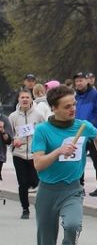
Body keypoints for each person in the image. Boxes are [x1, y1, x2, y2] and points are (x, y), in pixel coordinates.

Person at [31, 85, 97, 245]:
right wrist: (58, 152)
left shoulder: (82, 126)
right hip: (47, 191)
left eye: (74, 104)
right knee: (45, 244)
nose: (73, 109)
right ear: (54, 108)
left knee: (74, 224)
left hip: (72, 189)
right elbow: (38, 164)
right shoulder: (43, 131)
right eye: (67, 106)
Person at [9, 90, 46, 218]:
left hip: (34, 153)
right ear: (19, 100)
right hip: (18, 154)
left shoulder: (38, 115)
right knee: (23, 182)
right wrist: (14, 141)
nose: (24, 100)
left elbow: (44, 132)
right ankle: (25, 209)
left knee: (35, 181)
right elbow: (9, 136)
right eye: (22, 97)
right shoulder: (13, 117)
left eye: (27, 97)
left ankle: (41, 205)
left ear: (31, 99)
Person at [74, 72, 97, 197]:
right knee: (78, 161)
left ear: (87, 81)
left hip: (92, 134)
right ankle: (79, 186)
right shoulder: (75, 97)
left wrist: (89, 127)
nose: (78, 83)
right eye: (76, 81)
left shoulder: (95, 94)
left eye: (81, 80)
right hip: (78, 135)